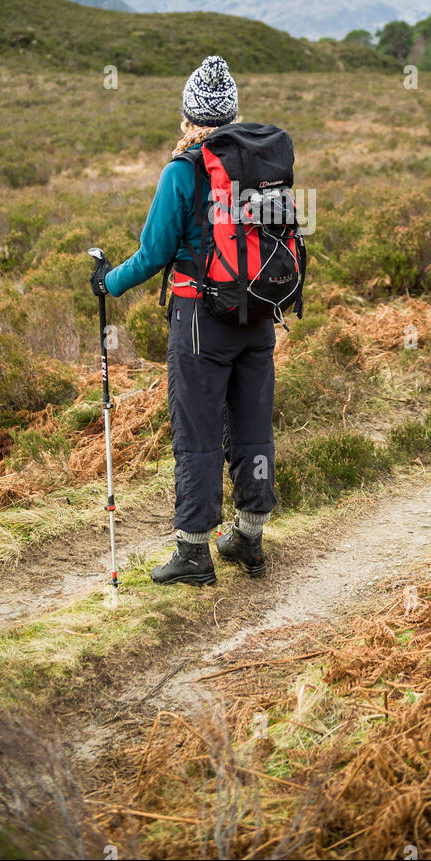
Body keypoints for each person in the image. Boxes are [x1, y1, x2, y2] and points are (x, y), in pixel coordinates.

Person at [89, 56, 277, 587]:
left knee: (196, 434)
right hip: (258, 316)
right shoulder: (260, 164)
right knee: (252, 427)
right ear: (233, 113)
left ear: (191, 116)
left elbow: (152, 255)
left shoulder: (183, 171)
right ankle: (250, 538)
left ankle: (194, 553)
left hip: (201, 320)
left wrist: (107, 282)